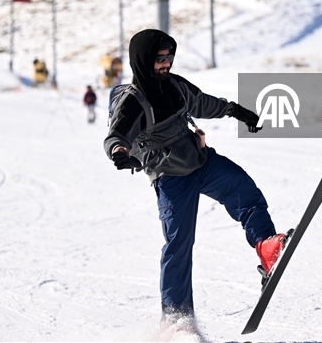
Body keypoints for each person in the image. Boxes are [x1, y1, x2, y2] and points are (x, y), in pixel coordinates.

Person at [104, 29, 280, 323]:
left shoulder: (174, 85)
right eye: (159, 58)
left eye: (169, 57)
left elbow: (203, 103)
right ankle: (176, 320)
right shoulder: (133, 100)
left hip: (200, 162)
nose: (166, 63)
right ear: (143, 60)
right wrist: (119, 151)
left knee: (243, 189)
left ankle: (266, 246)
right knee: (179, 246)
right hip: (170, 177)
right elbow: (116, 134)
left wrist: (236, 111)